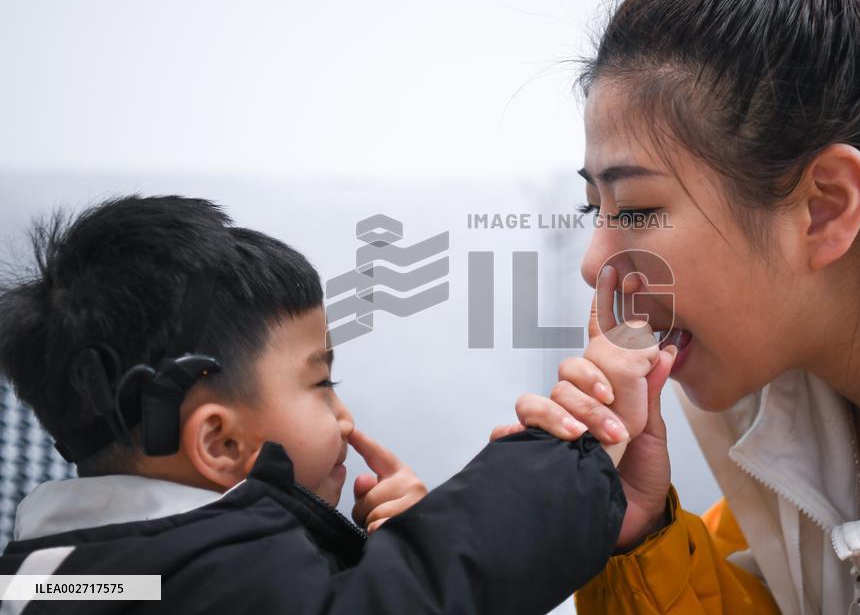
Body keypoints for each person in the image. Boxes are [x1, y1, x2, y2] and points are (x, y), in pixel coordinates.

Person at [494, 0, 860, 613]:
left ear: (826, 207)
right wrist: (636, 534)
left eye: (636, 209)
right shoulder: (779, 415)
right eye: (596, 210)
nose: (594, 264)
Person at [0, 195, 631, 614]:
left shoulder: (67, 574)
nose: (344, 417)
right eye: (323, 383)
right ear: (219, 442)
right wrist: (573, 450)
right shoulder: (216, 577)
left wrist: (378, 553)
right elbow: (422, 597)